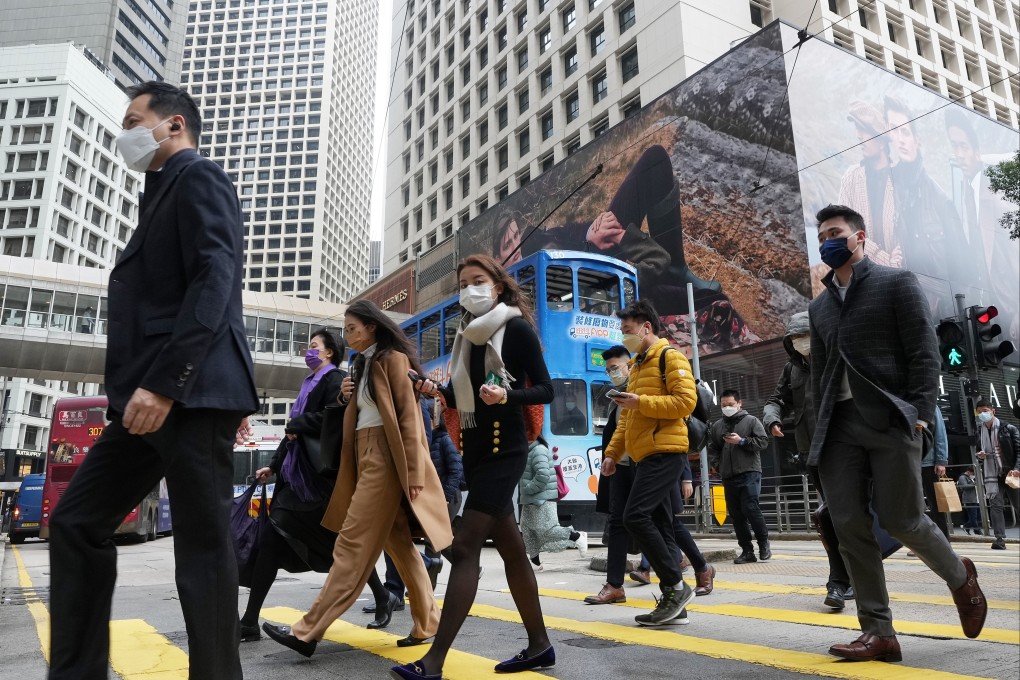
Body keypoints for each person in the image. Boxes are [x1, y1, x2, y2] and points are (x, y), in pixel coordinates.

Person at [47, 81, 259, 680]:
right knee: (76, 520)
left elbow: (216, 278)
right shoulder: (158, 191)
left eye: (134, 118)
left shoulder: (198, 176)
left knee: (201, 548)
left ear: (173, 126)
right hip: (146, 400)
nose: (127, 131)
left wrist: (168, 381)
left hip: (187, 394)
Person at [809, 203, 986, 662]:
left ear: (860, 237)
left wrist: (921, 415)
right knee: (848, 527)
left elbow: (924, 354)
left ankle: (960, 576)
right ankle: (878, 631)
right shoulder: (819, 307)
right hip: (839, 426)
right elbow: (819, 374)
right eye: (822, 233)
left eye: (835, 231)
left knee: (902, 519)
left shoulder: (897, 283)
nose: (828, 240)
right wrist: (813, 429)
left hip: (891, 417)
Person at [392, 254, 555, 679]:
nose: (469, 289)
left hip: (506, 451)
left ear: (497, 286)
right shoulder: (467, 335)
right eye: (463, 283)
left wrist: (508, 397)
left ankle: (434, 661)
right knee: (513, 553)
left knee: (464, 549)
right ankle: (539, 646)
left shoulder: (514, 329)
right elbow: (463, 396)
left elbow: (546, 389)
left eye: (477, 281)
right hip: (477, 453)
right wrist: (437, 390)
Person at [263, 300, 452, 656]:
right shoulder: (362, 364)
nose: (348, 335)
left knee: (350, 543)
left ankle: (307, 631)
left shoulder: (392, 360)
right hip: (365, 456)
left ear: (372, 327)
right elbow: (361, 414)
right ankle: (428, 622)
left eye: (352, 328)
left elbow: (409, 418)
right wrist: (345, 396)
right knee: (397, 543)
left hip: (385, 456)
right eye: (346, 329)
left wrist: (412, 470)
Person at [241, 328, 366, 640]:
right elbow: (292, 435)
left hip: (317, 481)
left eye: (314, 346)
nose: (308, 351)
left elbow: (332, 419)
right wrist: (272, 464)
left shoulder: (334, 379)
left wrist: (297, 424)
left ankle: (381, 594)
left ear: (328, 352)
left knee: (340, 545)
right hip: (296, 479)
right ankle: (249, 620)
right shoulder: (308, 384)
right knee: (274, 540)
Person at [586, 345, 714, 606]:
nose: (612, 373)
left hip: (652, 463)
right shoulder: (618, 399)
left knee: (667, 523)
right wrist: (610, 456)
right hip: (623, 465)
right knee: (619, 522)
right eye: (608, 369)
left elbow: (676, 427)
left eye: (616, 367)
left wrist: (686, 476)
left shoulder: (650, 380)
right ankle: (615, 585)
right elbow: (622, 428)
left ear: (629, 365)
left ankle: (698, 570)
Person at [599, 300, 699, 626]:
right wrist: (612, 454)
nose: (625, 336)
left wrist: (640, 401)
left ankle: (675, 585)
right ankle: (676, 606)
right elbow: (627, 421)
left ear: (647, 327)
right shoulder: (640, 365)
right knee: (661, 528)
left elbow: (686, 402)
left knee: (634, 517)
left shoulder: (670, 357)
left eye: (628, 330)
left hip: (666, 451)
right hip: (644, 455)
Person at [764, 311, 853, 608]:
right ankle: (843, 580)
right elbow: (776, 400)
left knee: (841, 516)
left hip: (845, 446)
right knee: (832, 515)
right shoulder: (791, 370)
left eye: (806, 336)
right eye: (795, 338)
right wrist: (772, 419)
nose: (801, 343)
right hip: (812, 451)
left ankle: (843, 580)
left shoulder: (838, 359)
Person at [708, 389, 770, 563]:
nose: (727, 407)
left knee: (751, 508)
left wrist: (741, 441)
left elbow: (763, 441)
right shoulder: (717, 425)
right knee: (736, 515)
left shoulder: (751, 421)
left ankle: (764, 544)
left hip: (749, 471)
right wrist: (718, 465)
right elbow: (713, 449)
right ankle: (747, 550)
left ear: (739, 403)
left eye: (731, 404)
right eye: (724, 405)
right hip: (728, 475)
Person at [838, 100, 899, 267]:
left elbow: (914, 230)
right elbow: (844, 231)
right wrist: (883, 258)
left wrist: (900, 253)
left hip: (899, 279)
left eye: (864, 130)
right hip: (862, 278)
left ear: (881, 141)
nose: (858, 135)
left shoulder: (901, 179)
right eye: (857, 129)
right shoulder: (851, 178)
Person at [519, 436, 588, 569]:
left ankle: (576, 536)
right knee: (527, 529)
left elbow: (543, 475)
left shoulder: (538, 450)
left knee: (548, 531)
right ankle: (535, 561)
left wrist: (528, 488)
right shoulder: (527, 450)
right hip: (530, 498)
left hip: (542, 498)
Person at [975, 399, 1020, 550]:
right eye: (980, 412)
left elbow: (1019, 451)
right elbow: (980, 451)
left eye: (985, 411)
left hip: (1011, 472)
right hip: (993, 475)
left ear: (993, 411)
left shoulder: (1008, 428)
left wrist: (1017, 468)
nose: (983, 414)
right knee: (996, 506)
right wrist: (980, 455)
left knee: (1018, 504)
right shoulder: (980, 431)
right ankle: (999, 539)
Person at [920, 409, 950, 540]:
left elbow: (940, 433)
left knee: (936, 504)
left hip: (929, 463)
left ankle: (943, 540)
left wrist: (941, 460)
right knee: (914, 506)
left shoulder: (931, 404)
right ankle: (921, 543)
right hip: (909, 462)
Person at [956, 467, 981, 535]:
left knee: (975, 516)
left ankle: (967, 527)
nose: (973, 475)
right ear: (969, 472)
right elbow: (964, 486)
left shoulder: (969, 478)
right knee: (973, 517)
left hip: (975, 499)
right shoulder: (962, 477)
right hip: (969, 500)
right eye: (972, 473)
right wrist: (974, 484)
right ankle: (976, 531)